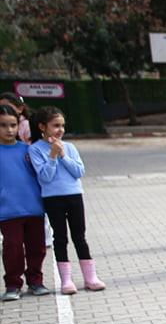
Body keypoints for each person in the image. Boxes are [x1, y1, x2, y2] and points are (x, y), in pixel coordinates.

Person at [28, 106, 108, 293]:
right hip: (52, 199)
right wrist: (53, 155)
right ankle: (66, 280)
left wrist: (63, 154)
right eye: (55, 125)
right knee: (61, 238)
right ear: (42, 127)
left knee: (79, 236)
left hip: (74, 196)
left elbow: (78, 172)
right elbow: (45, 177)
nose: (60, 130)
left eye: (62, 126)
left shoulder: (70, 147)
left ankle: (91, 277)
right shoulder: (35, 149)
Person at [0, 105, 48, 300]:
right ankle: (13, 284)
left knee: (37, 247)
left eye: (13, 125)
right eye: (3, 125)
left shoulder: (29, 150)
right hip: (7, 211)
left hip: (34, 208)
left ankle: (35, 281)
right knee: (12, 248)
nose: (9, 130)